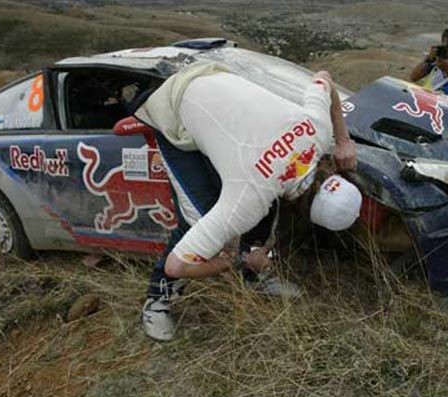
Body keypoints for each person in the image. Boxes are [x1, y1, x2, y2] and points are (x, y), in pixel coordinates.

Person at [134, 62, 360, 341]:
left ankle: (255, 276)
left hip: (214, 78)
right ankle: (158, 300)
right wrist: (233, 259)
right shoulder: (250, 197)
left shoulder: (319, 129)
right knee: (199, 218)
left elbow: (324, 76)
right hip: (174, 106)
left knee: (265, 201)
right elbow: (176, 265)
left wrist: (343, 139)